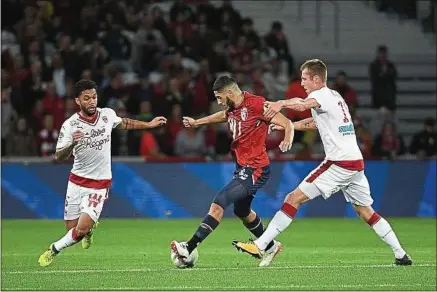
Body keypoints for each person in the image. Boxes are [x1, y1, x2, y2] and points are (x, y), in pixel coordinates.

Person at [232, 59, 412, 266]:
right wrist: (289, 126)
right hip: (355, 163)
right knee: (365, 211)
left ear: (317, 79)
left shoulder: (319, 95)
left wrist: (281, 103)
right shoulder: (334, 96)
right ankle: (401, 254)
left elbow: (301, 104)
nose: (302, 83)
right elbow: (314, 122)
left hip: (339, 163)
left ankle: (261, 245)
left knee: (293, 198)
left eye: (305, 78)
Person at [38, 80, 167, 267]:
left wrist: (148, 124)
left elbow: (125, 123)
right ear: (77, 101)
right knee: (72, 229)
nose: (92, 101)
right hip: (76, 181)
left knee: (79, 230)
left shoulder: (107, 115)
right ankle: (89, 229)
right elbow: (59, 156)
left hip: (99, 184)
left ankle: (53, 250)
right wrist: (72, 143)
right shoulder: (70, 125)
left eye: (94, 97)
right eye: (86, 98)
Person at [170, 75, 294, 267]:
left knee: (220, 201)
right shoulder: (232, 108)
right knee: (242, 210)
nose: (219, 102)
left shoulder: (256, 104)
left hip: (256, 167)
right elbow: (223, 116)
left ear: (229, 93)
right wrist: (197, 123)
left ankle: (189, 246)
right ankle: (269, 246)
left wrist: (287, 138)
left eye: (219, 98)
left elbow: (286, 122)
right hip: (242, 167)